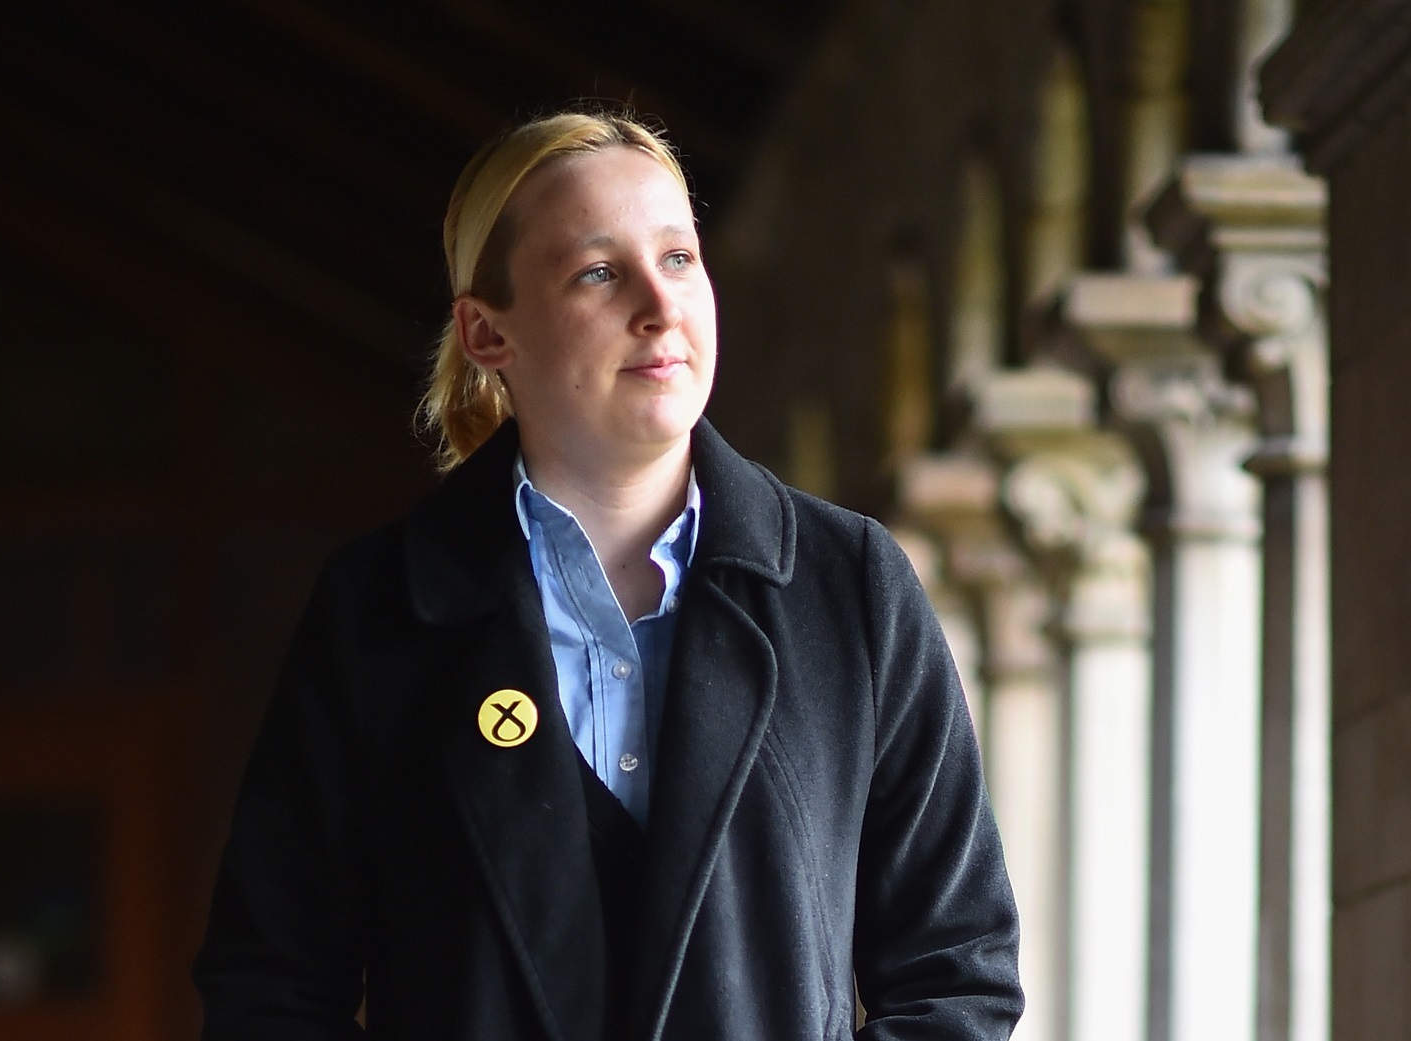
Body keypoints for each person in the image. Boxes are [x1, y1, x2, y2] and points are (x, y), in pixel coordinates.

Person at [193, 107, 1023, 1040]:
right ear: (485, 333)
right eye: (598, 272)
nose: (660, 306)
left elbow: (957, 970)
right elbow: (270, 986)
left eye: (678, 258)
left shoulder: (852, 589)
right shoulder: (379, 611)